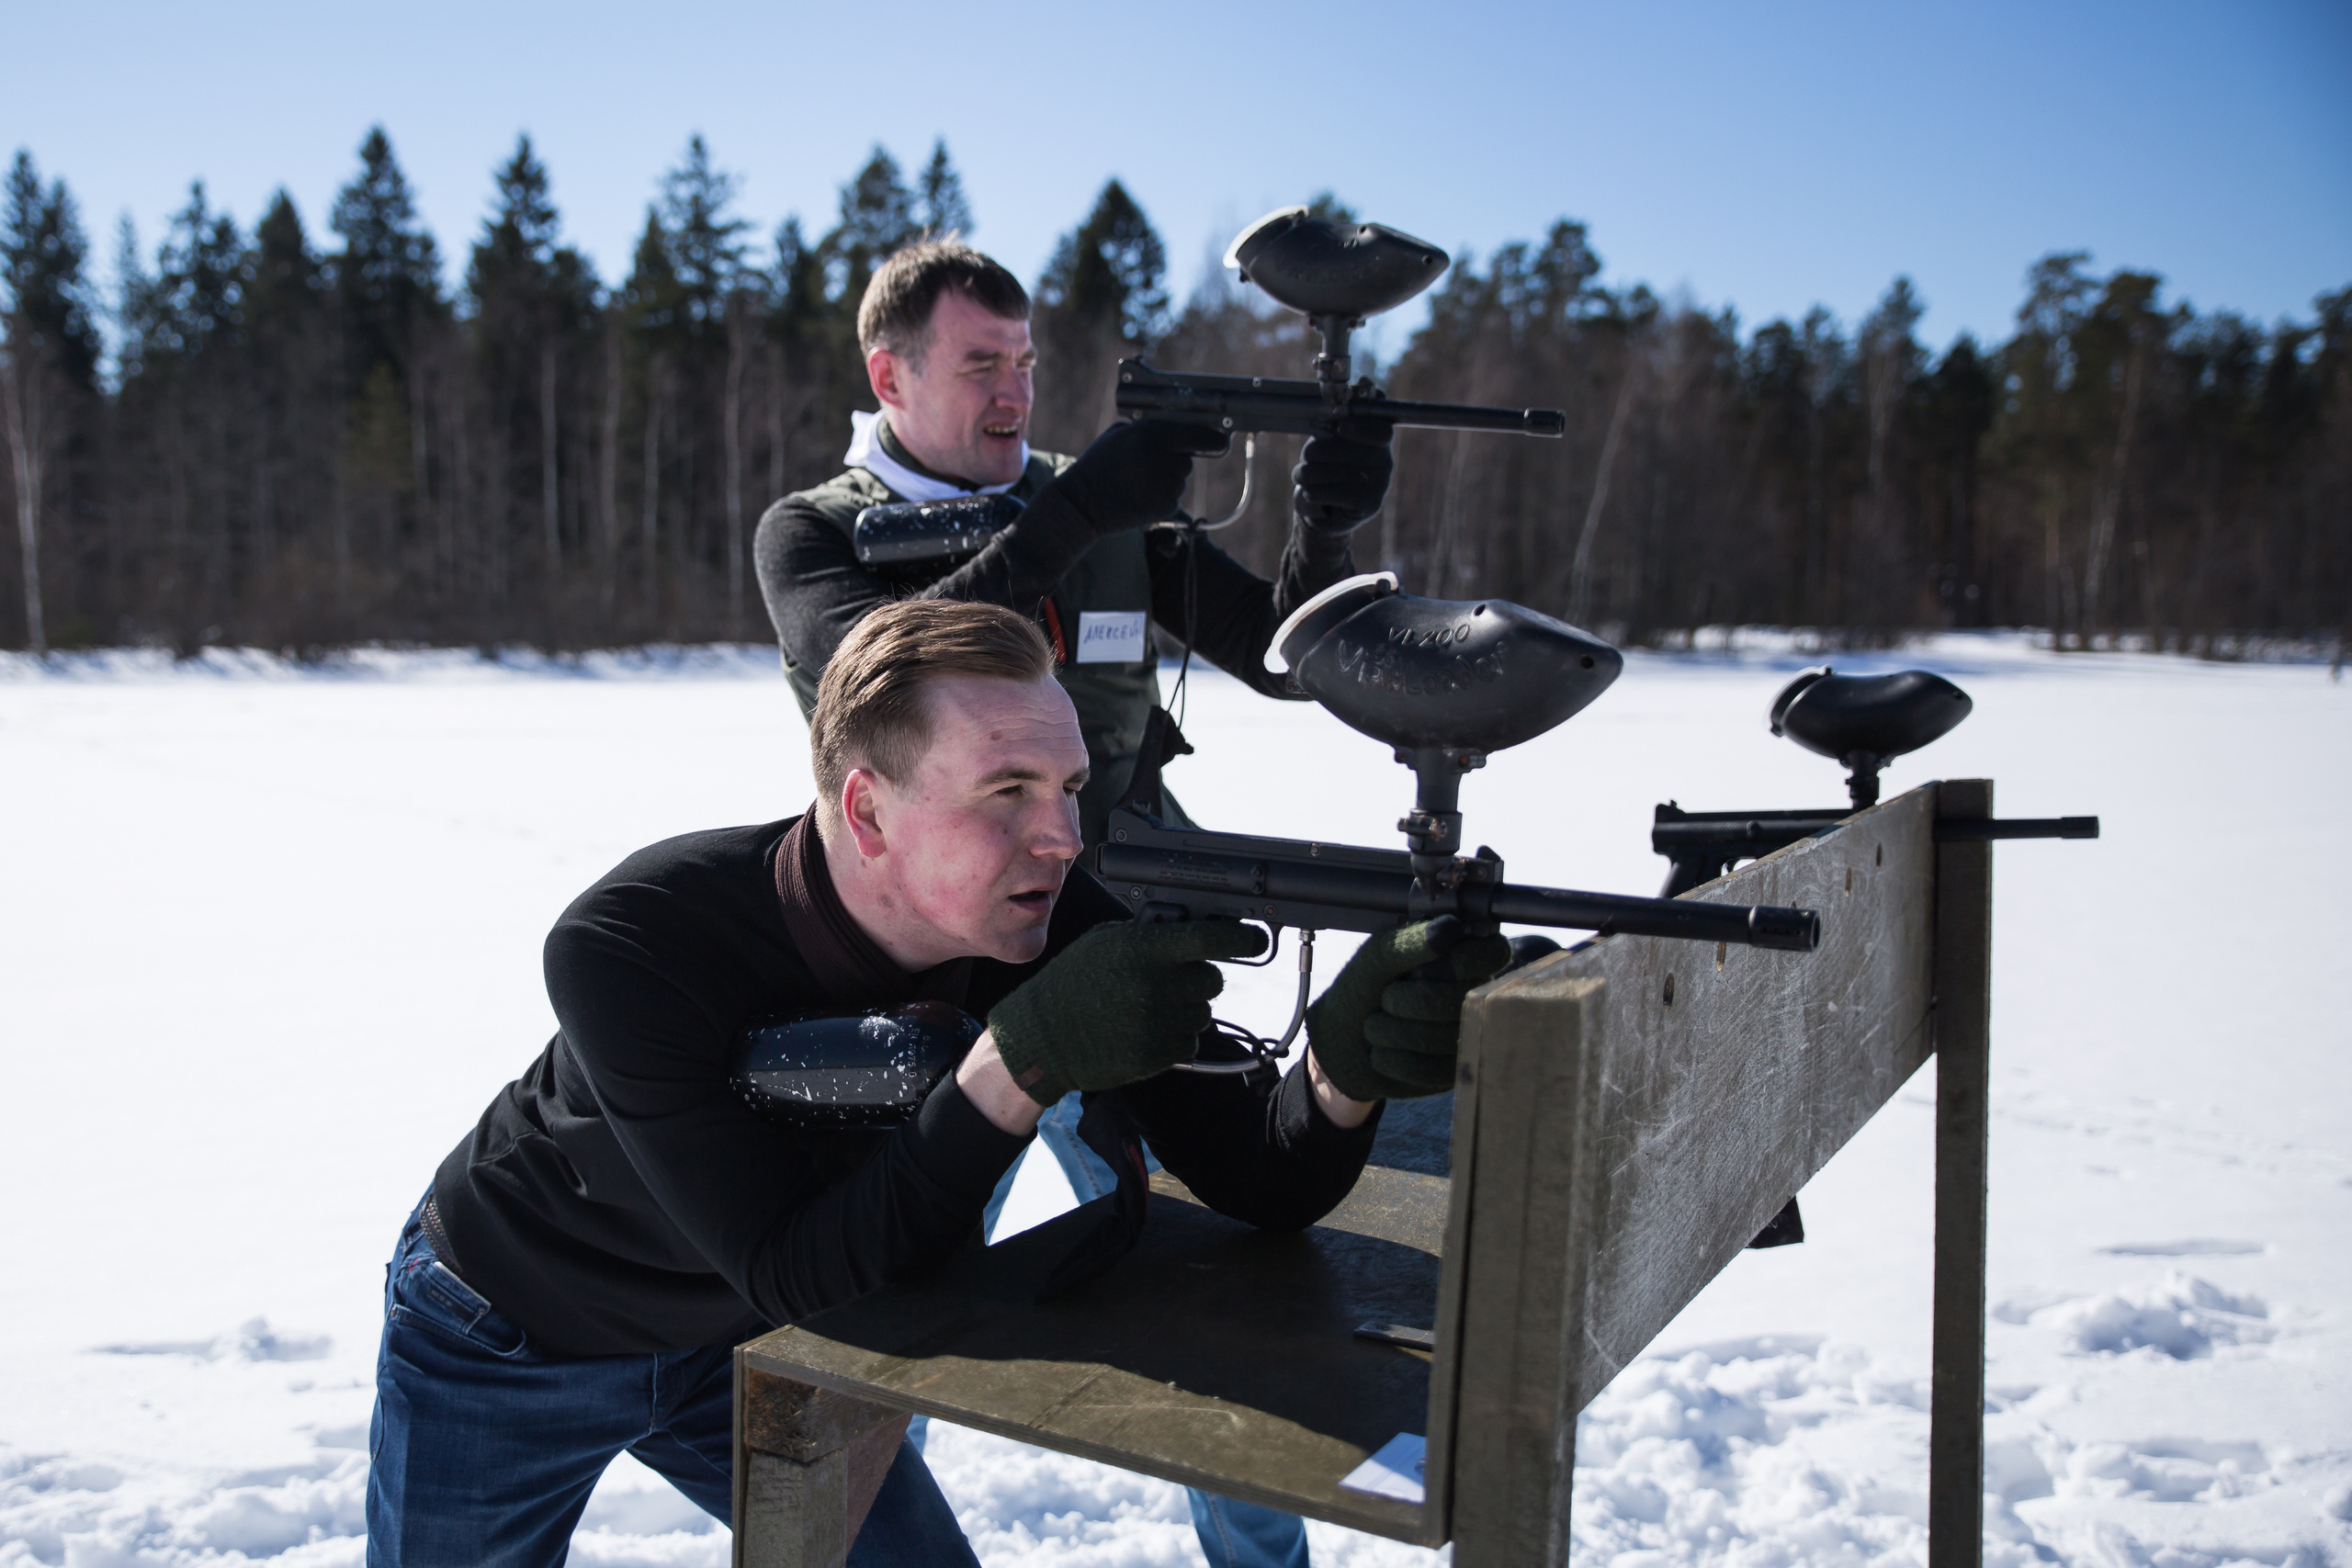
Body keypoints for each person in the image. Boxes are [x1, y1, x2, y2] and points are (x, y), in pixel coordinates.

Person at [365, 599, 1508, 1566]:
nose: (1060, 837)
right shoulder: (637, 940)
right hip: (514, 1329)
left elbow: (1257, 1175)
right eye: (1005, 790)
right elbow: (792, 1265)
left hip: (754, 1347)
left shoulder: (1046, 915)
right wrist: (1020, 1059)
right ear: (868, 809)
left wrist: (1342, 1069)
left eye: (1068, 786)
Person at [754, 239, 1396, 1567]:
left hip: (1135, 944)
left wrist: (1325, 523)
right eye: (979, 364)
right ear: (890, 376)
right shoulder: (811, 530)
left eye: (1028, 363)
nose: (1014, 391)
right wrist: (1080, 511)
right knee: (884, 1311)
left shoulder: (1097, 509)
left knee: (1231, 1289)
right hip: (930, 978)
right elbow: (873, 668)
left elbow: (1279, 654)